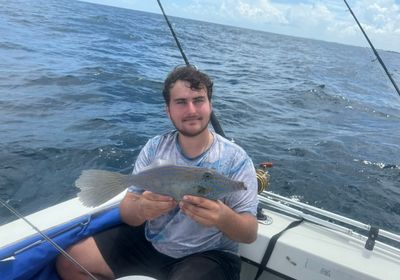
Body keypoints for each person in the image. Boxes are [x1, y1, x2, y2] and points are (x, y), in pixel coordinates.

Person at [56, 65, 259, 280]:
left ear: (210, 105)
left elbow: (249, 233)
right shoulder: (154, 148)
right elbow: (128, 212)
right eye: (181, 102)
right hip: (152, 242)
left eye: (198, 100)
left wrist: (223, 217)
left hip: (209, 254)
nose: (191, 110)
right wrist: (142, 208)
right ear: (168, 110)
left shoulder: (236, 159)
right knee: (70, 262)